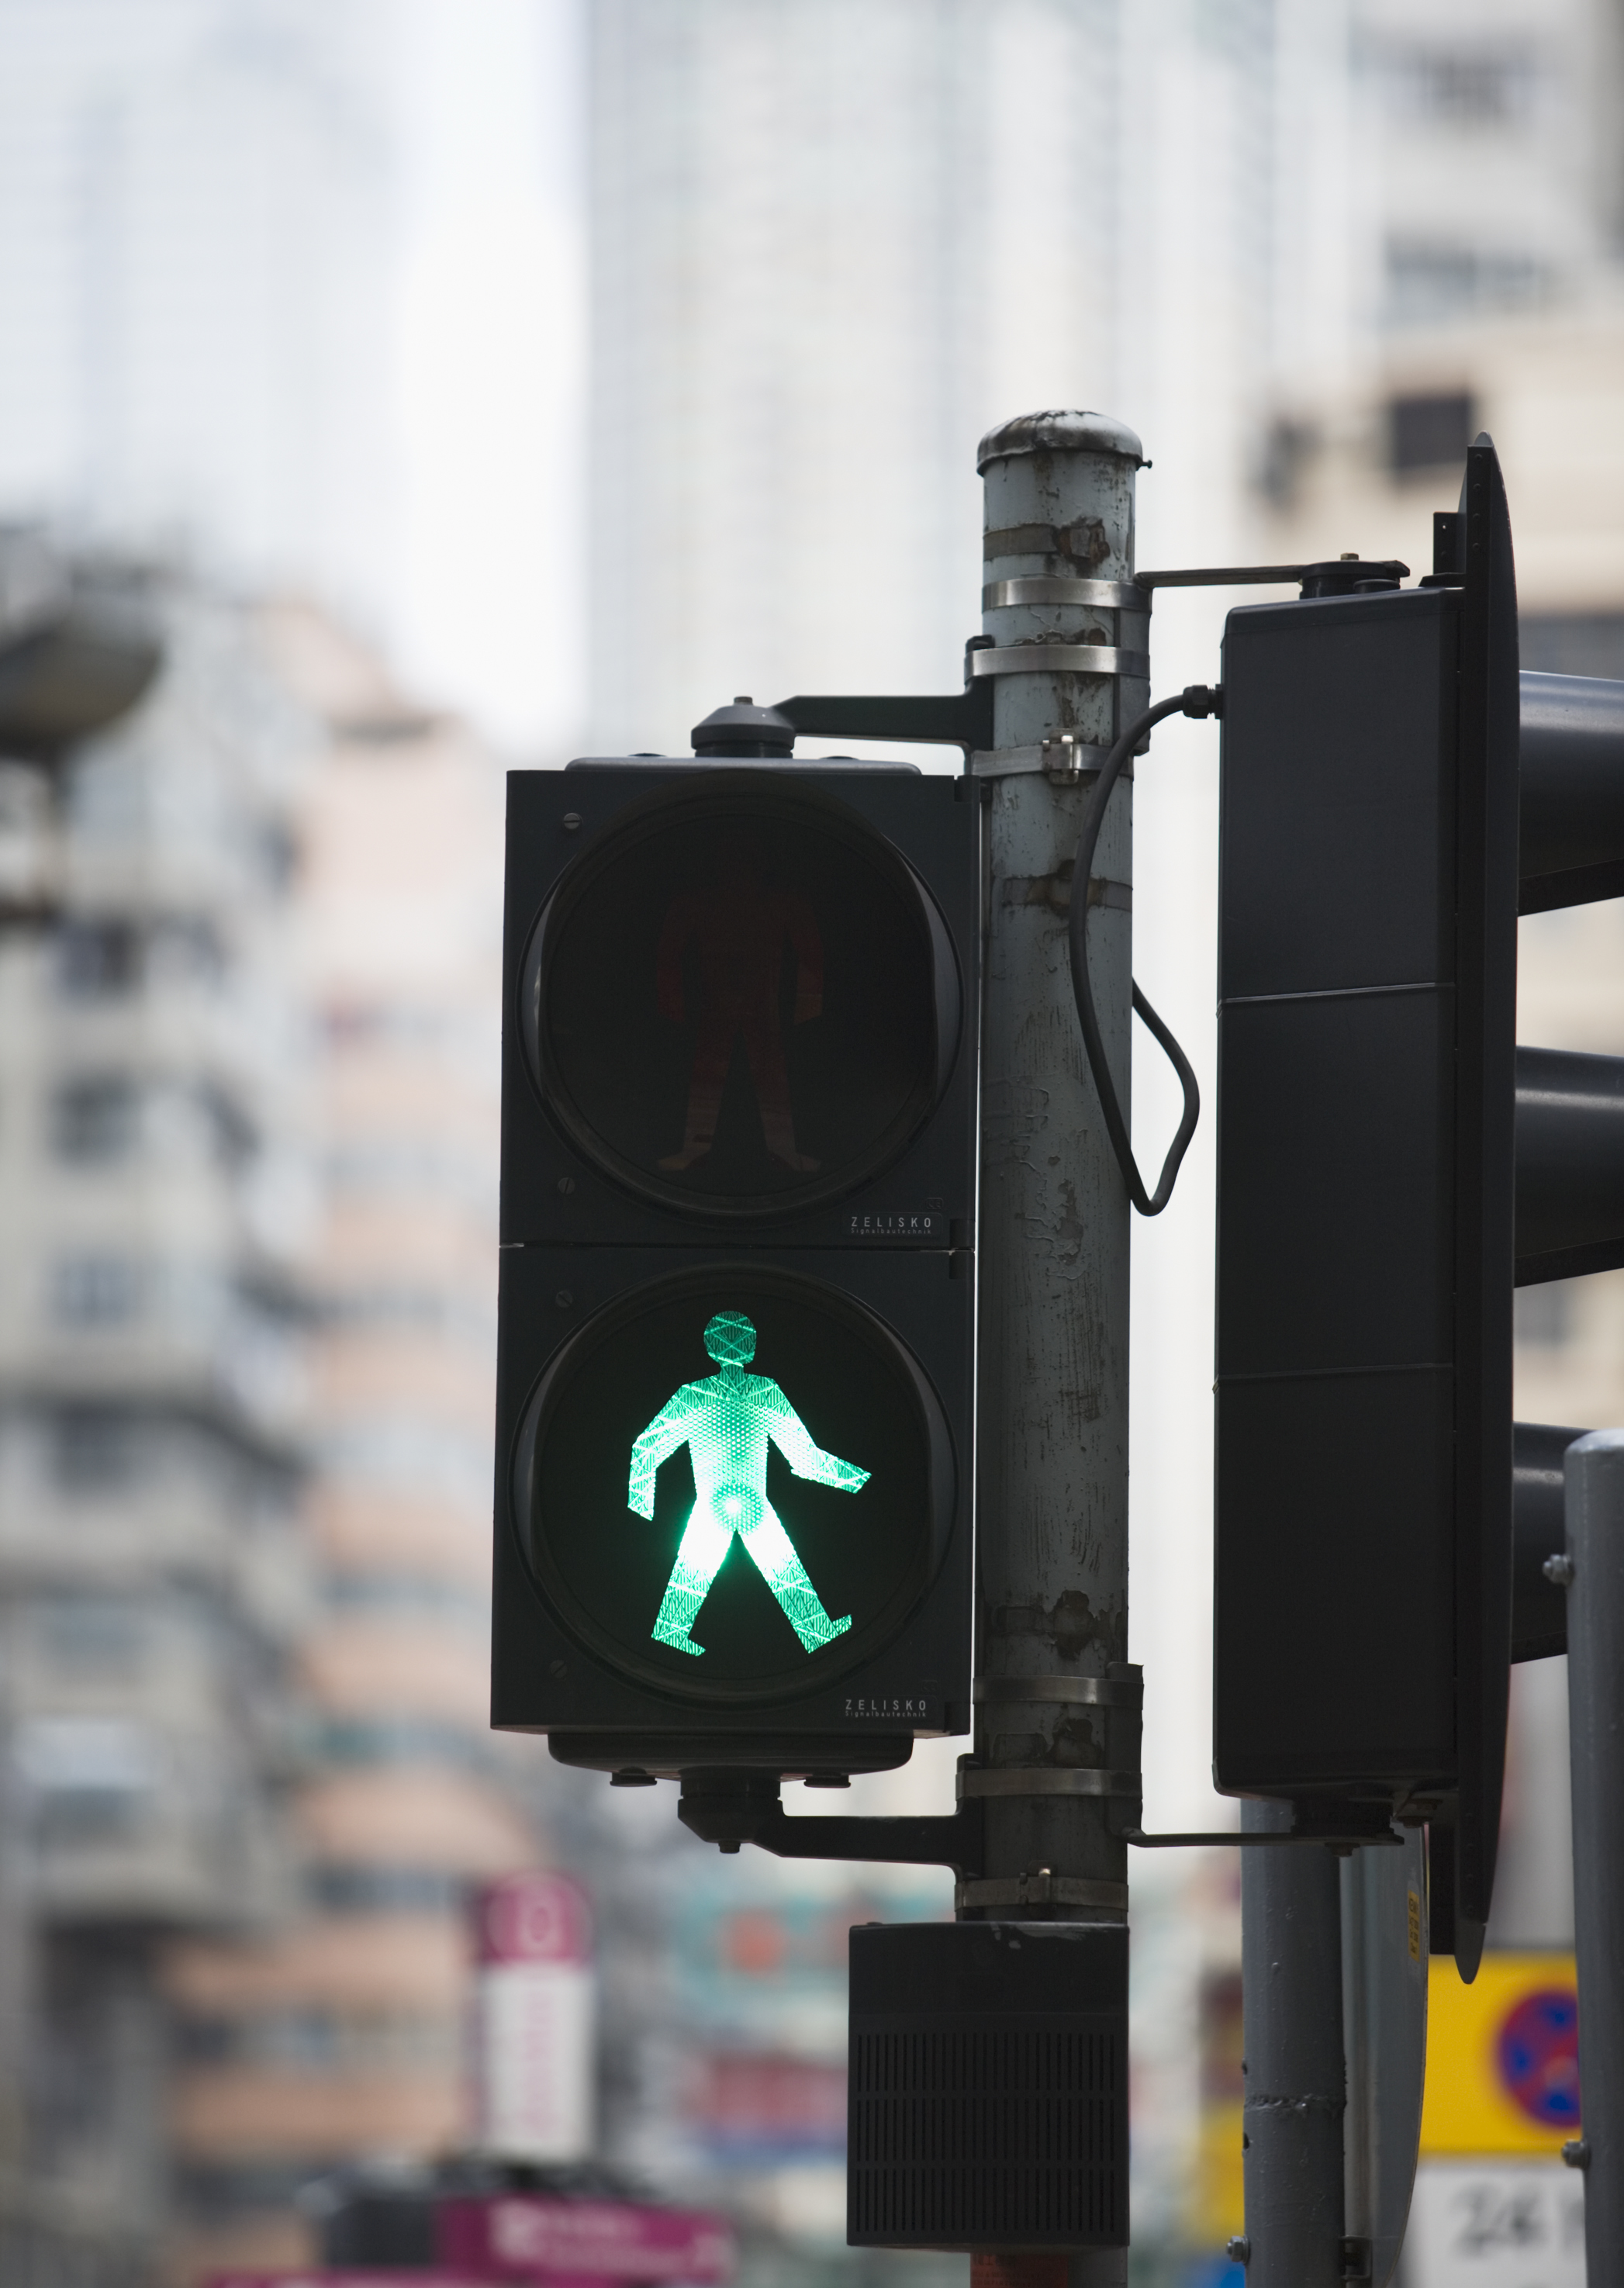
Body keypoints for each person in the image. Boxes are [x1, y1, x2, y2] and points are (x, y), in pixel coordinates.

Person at [628, 1311, 866, 1655]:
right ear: (751, 1347)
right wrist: (854, 1480)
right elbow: (805, 1457)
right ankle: (816, 1632)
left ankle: (671, 1634)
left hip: (715, 1504)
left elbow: (647, 1446)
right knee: (780, 1565)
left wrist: (642, 1505)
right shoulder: (763, 1391)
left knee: (699, 1567)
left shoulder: (693, 1395)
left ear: (710, 1348)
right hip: (753, 1503)